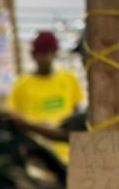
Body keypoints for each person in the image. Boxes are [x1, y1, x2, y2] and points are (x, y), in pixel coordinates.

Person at [6, 31, 85, 162]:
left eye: (51, 52)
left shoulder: (69, 80)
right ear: (33, 55)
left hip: (68, 153)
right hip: (38, 156)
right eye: (43, 53)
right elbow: (16, 119)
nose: (47, 58)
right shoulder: (21, 85)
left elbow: (77, 117)